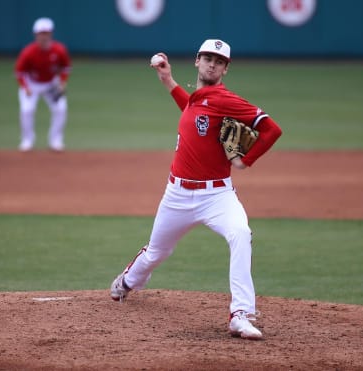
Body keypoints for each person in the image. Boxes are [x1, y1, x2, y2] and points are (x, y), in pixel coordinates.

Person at [109, 39, 283, 340]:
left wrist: (245, 161)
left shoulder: (225, 99)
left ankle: (240, 314)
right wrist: (166, 79)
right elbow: (191, 107)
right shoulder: (198, 98)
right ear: (197, 61)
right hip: (176, 196)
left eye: (219, 61)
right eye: (207, 58)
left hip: (217, 196)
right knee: (156, 252)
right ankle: (127, 282)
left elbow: (272, 129)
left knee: (240, 234)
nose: (212, 63)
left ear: (225, 69)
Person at [14, 17, 72, 152]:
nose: (43, 36)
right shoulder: (28, 52)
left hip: (51, 83)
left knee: (60, 109)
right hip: (31, 84)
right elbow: (19, 72)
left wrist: (62, 82)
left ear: (51, 34)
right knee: (27, 110)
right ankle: (27, 140)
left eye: (46, 33)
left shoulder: (59, 50)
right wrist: (25, 87)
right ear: (35, 35)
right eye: (41, 33)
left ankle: (56, 140)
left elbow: (66, 68)